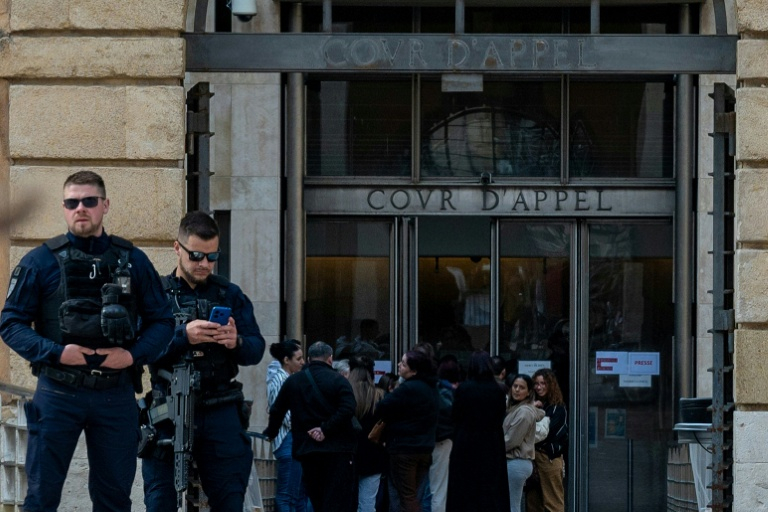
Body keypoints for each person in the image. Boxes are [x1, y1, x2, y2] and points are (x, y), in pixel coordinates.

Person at [0, 170, 175, 511]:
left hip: (115, 393)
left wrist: (132, 355)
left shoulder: (133, 260)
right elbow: (11, 323)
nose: (80, 208)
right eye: (72, 202)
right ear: (64, 208)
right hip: (58, 392)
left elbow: (163, 321)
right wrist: (57, 353)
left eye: (89, 201)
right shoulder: (40, 261)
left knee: (114, 500)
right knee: (40, 497)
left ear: (105, 205)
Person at [141, 210, 266, 511]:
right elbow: (139, 350)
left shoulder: (229, 294)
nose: (204, 264)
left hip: (219, 408)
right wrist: (184, 335)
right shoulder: (156, 293)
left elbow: (256, 348)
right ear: (177, 248)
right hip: (167, 409)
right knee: (160, 501)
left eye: (212, 257)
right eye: (196, 255)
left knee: (229, 500)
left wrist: (235, 341)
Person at [264, 341, 358, 512]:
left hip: (308, 449)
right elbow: (348, 408)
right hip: (338, 450)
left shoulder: (294, 381)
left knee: (315, 497)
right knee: (336, 499)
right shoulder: (339, 380)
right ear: (330, 359)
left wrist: (271, 432)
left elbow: (277, 410)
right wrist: (325, 428)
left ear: (308, 359)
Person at [376, 350, 440, 512]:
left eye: (403, 364)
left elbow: (382, 407)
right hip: (425, 448)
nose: (399, 365)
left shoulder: (408, 388)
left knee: (406, 496)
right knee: (415, 494)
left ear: (414, 371)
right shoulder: (430, 388)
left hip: (404, 448)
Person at [446, 351, 509, 512]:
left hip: (466, 442)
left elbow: (455, 416)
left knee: (465, 489)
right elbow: (500, 416)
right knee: (490, 489)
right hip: (492, 443)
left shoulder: (464, 389)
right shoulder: (498, 390)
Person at [267, 339, 312, 512]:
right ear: (286, 360)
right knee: (288, 495)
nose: (302, 362)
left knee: (296, 494)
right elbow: (286, 417)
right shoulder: (281, 380)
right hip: (287, 440)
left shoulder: (287, 379)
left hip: (290, 440)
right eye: (298, 358)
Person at [348, 355, 388, 512]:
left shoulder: (346, 394)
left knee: (346, 500)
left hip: (349, 454)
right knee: (368, 502)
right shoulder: (380, 396)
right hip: (373, 455)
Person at [527, 368, 568, 512]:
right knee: (533, 504)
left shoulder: (558, 408)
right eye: (536, 384)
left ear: (551, 385)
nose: (539, 387)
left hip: (548, 458)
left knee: (553, 504)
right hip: (532, 459)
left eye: (543, 383)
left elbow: (546, 434)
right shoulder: (532, 405)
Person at [503, 374, 544, 512]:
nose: (517, 390)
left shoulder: (524, 412)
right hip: (516, 462)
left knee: (512, 506)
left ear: (528, 392)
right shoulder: (516, 409)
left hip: (516, 461)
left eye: (521, 387)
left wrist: (492, 448)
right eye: (515, 386)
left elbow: (511, 440)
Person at [429, 358, 460, 512]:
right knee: (439, 489)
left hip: (429, 439)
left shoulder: (433, 389)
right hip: (443, 440)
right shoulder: (451, 393)